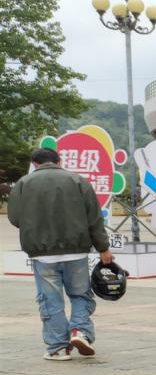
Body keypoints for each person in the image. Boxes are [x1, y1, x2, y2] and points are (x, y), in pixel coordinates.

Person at [6, 147, 114, 360]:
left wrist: (35, 227)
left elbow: (15, 218)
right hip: (76, 252)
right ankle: (80, 331)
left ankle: (58, 348)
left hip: (42, 254)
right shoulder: (78, 181)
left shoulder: (24, 184)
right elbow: (94, 218)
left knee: (50, 300)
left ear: (35, 164)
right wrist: (103, 247)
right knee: (80, 295)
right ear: (59, 161)